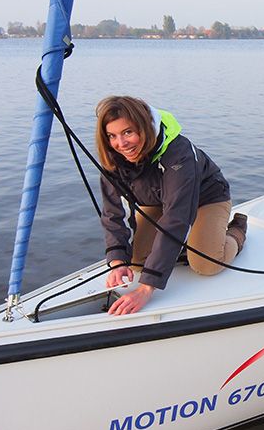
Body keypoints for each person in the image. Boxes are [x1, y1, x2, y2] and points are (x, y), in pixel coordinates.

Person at [95, 96, 247, 316]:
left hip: (207, 198)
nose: (121, 143)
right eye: (112, 136)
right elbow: (113, 213)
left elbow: (176, 218)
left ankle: (237, 230)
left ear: (145, 127)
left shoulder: (179, 155)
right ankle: (186, 243)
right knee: (135, 261)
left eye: (128, 132)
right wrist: (117, 262)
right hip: (159, 201)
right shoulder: (114, 158)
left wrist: (145, 289)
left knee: (206, 264)